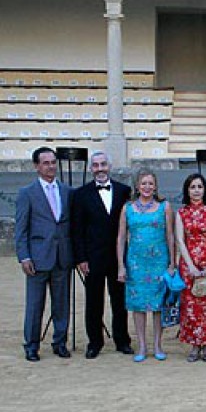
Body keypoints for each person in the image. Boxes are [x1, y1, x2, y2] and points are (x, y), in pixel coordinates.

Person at [71, 150, 133, 359]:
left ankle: (122, 340)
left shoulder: (124, 191)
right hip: (93, 258)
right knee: (93, 303)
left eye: (103, 164)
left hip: (118, 258)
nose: (100, 169)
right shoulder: (80, 194)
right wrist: (81, 258)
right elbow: (77, 229)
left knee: (120, 302)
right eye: (96, 165)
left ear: (110, 166)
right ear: (90, 169)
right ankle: (94, 342)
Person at [15, 147, 74, 362]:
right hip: (37, 258)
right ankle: (31, 345)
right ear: (36, 166)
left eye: (53, 162)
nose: (50, 166)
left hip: (62, 256)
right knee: (34, 305)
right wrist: (24, 256)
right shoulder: (26, 193)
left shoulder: (67, 191)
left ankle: (60, 342)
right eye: (46, 163)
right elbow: (21, 229)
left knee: (62, 304)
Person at [117, 168, 175, 363]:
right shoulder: (128, 208)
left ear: (156, 186)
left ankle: (158, 344)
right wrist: (121, 265)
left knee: (159, 306)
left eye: (151, 183)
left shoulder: (164, 207)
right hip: (135, 263)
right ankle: (141, 345)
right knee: (138, 305)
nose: (147, 187)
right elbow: (121, 238)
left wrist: (172, 263)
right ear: (137, 186)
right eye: (144, 183)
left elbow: (170, 236)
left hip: (159, 261)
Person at [175, 174, 206, 363]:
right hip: (189, 265)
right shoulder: (182, 213)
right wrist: (190, 265)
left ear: (205, 190)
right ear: (187, 190)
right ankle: (194, 344)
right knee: (191, 307)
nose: (196, 190)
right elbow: (180, 240)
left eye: (199, 187)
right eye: (192, 187)